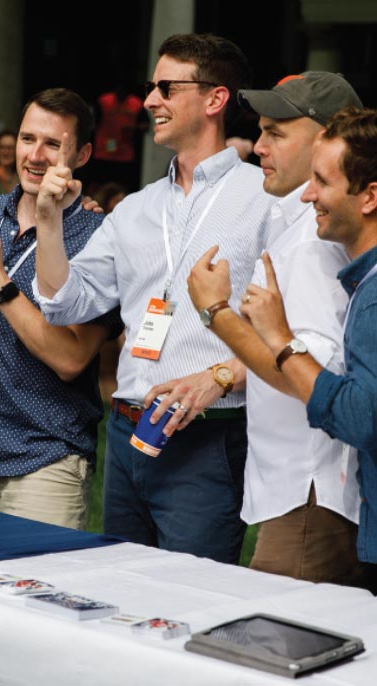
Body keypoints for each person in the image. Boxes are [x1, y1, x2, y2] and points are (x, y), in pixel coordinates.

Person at [33, 34, 275, 563]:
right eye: (151, 87)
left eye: (167, 87)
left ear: (214, 100)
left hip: (209, 437)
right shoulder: (137, 208)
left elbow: (295, 325)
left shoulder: (266, 199)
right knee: (123, 594)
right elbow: (65, 302)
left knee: (193, 602)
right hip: (127, 432)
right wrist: (49, 222)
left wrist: (220, 376)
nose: (149, 101)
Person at [187, 72, 364, 585]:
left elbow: (307, 376)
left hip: (309, 492)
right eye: (260, 131)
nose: (259, 146)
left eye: (277, 133)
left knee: (277, 652)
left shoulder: (313, 237)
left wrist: (215, 312)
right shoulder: (302, 223)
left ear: (330, 139)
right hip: (303, 488)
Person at [0, 89, 122, 530]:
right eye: (26, 139)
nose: (34, 156)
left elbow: (71, 359)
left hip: (43, 461)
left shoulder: (100, 238)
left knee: (36, 596)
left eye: (52, 145)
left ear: (82, 154)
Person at [240, 107, 377, 592]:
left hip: (313, 492)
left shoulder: (363, 283)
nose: (309, 193)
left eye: (322, 179)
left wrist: (225, 316)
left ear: (369, 197)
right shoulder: (358, 275)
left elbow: (357, 411)